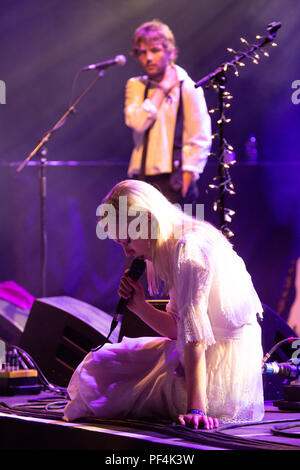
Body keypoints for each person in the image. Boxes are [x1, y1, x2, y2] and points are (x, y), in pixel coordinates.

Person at [63, 180, 265, 429]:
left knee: (105, 380)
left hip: (219, 377)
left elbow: (195, 339)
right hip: (202, 358)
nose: (127, 252)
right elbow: (178, 330)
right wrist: (140, 306)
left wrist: (195, 409)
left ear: (148, 222)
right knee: (102, 363)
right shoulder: (175, 244)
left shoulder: (190, 248)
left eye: (127, 241)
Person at [124, 19, 212, 205]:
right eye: (142, 53)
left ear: (170, 52)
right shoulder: (135, 85)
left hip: (175, 181)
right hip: (141, 179)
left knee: (178, 234)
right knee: (140, 233)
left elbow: (200, 137)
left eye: (155, 51)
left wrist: (187, 178)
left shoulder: (187, 86)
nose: (148, 58)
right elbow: (137, 122)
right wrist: (162, 89)